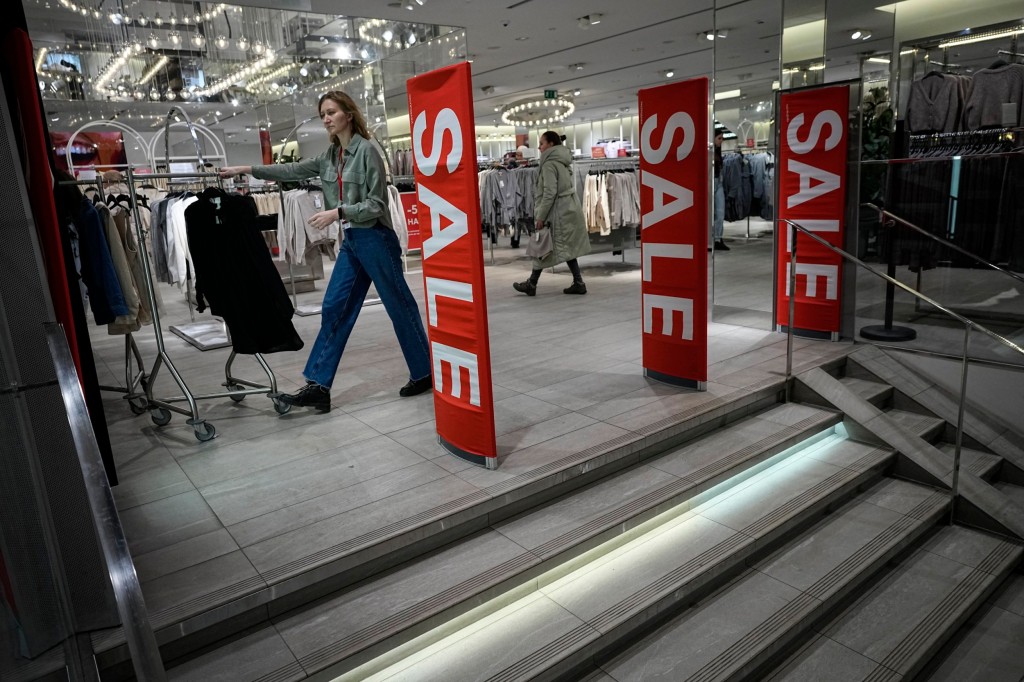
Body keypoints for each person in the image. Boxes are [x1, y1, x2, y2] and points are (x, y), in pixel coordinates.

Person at [218, 90, 432, 413]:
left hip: (375, 237)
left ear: (348, 113)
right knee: (334, 307)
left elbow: (377, 204)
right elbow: (292, 172)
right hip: (352, 242)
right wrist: (248, 170)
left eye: (331, 112)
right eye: (323, 114)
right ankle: (319, 385)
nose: (327, 119)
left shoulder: (368, 151)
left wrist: (338, 213)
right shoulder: (330, 157)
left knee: (399, 305)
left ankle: (424, 372)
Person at [513, 131, 591, 296]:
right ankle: (578, 282)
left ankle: (532, 284)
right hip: (567, 209)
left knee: (541, 245)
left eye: (542, 143)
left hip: (556, 213)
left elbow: (549, 192)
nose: (539, 147)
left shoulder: (549, 164)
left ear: (551, 144)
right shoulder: (562, 162)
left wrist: (541, 216)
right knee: (566, 247)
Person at [712, 131, 729, 252]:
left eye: (722, 138)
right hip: (711, 181)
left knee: (720, 212)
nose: (721, 140)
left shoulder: (718, 151)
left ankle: (718, 238)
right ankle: (711, 239)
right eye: (719, 138)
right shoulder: (708, 152)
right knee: (710, 213)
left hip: (719, 182)